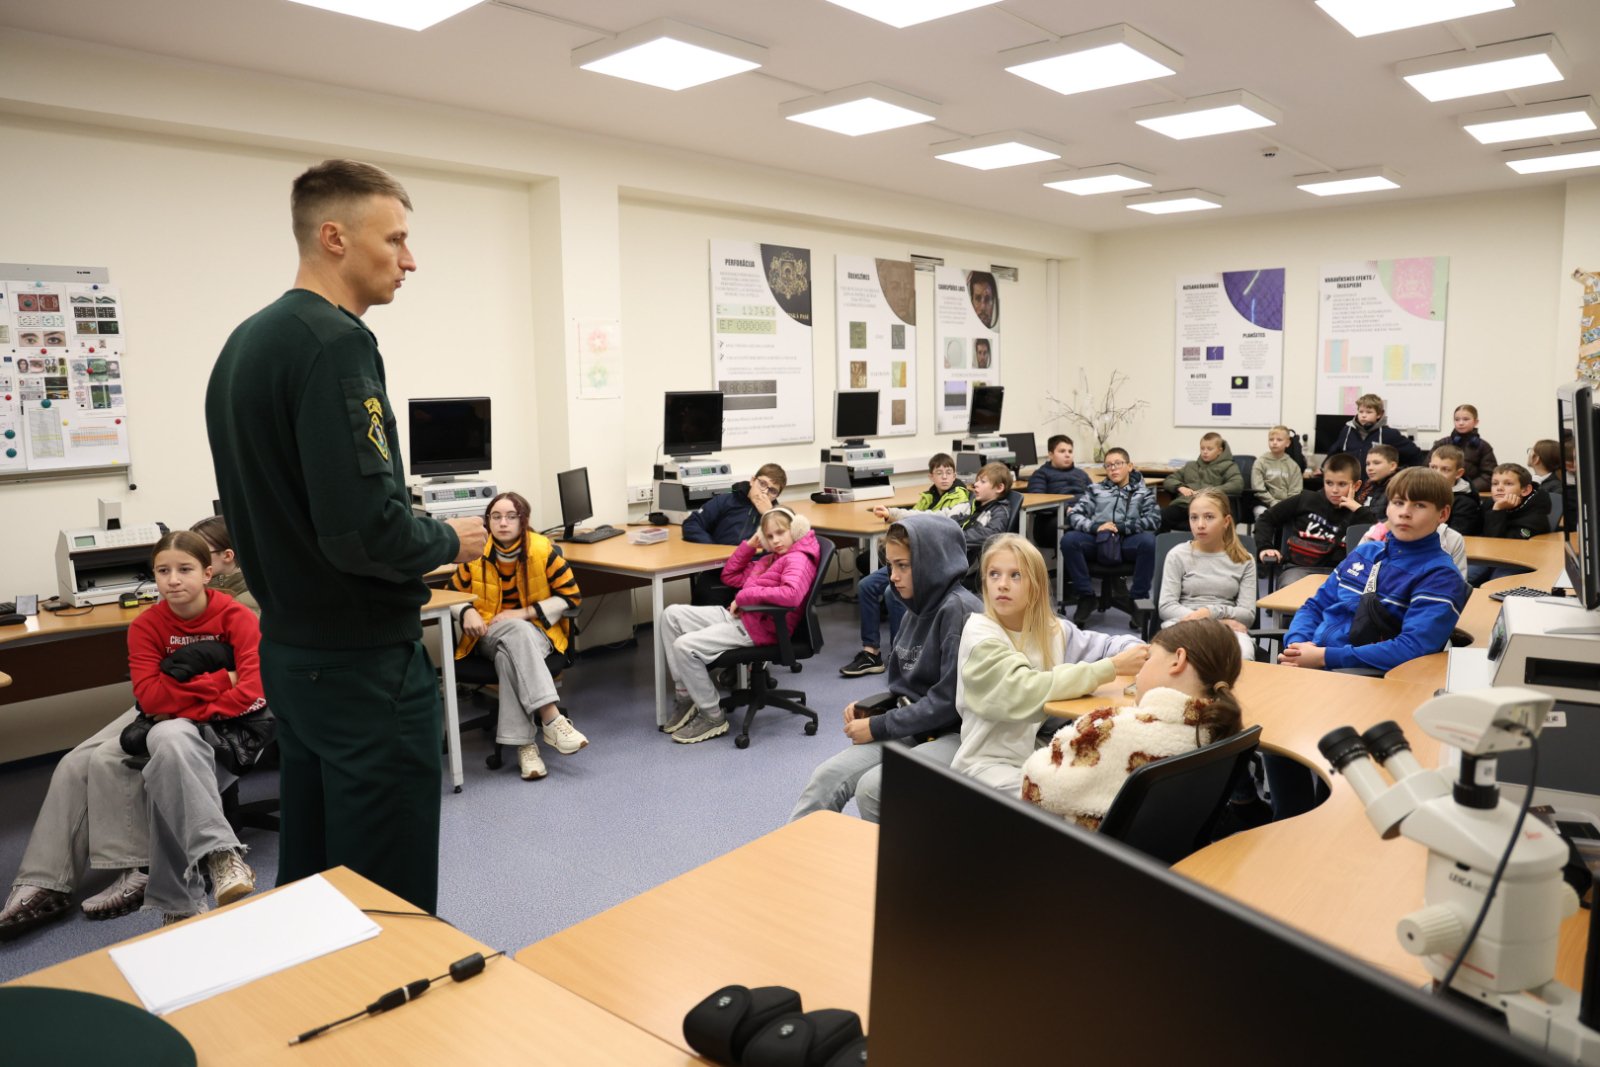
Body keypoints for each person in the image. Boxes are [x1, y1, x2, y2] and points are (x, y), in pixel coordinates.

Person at [205, 159, 487, 915]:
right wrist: (447, 541)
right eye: (394, 238)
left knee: (314, 870)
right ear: (334, 236)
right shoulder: (335, 343)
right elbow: (364, 532)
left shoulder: (245, 344)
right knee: (382, 889)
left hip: (294, 654)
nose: (410, 258)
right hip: (362, 665)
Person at [1, 533, 264, 938]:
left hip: (198, 712)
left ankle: (140, 868)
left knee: (141, 749)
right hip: (163, 707)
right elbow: (150, 697)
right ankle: (44, 882)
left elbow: (251, 689)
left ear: (210, 570)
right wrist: (216, 682)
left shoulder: (239, 612)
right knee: (75, 762)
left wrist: (178, 703)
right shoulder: (149, 624)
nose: (173, 580)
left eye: (186, 569)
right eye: (163, 571)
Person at [791, 514, 981, 823]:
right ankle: (793, 861)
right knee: (825, 778)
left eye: (903, 565)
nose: (892, 576)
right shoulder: (913, 608)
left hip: (957, 733)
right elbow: (904, 687)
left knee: (874, 789)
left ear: (935, 562)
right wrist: (874, 709)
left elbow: (947, 704)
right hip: (917, 727)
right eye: (891, 566)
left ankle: (888, 868)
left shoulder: (959, 612)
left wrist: (880, 727)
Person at [951, 535, 1148, 796]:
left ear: (1037, 584)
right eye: (994, 574)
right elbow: (1025, 688)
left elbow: (1106, 645)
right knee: (1073, 799)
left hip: (1039, 750)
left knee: (1113, 776)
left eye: (1016, 575)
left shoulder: (1052, 629)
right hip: (987, 764)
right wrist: (1110, 667)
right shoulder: (979, 632)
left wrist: (1136, 652)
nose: (1002, 584)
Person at [1020, 619, 1244, 830]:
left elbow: (1035, 787)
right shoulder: (1214, 730)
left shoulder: (1119, 734)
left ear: (1177, 661)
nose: (1140, 670)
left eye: (1149, 658)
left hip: (1086, 856)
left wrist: (1062, 742)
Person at [450, 492, 587, 781]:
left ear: (524, 521)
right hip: (486, 633)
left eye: (511, 516)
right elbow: (450, 595)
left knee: (509, 652)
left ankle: (526, 746)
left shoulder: (542, 550)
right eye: (496, 516)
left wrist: (522, 613)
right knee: (512, 635)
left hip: (537, 632)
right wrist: (465, 612)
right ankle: (551, 718)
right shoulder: (474, 552)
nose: (503, 523)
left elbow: (572, 598)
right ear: (488, 521)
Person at [1279, 468, 1468, 674]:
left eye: (1419, 505)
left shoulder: (1440, 576)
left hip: (1359, 678)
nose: (1404, 512)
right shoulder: (1365, 552)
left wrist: (1325, 657)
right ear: (1387, 508)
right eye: (1398, 503)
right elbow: (1315, 607)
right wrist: (1296, 646)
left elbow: (1411, 648)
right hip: (1311, 662)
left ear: (1443, 514)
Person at [662, 508, 821, 744]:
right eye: (769, 536)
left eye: (781, 532)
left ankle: (713, 715)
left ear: (797, 530)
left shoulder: (798, 558)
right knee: (671, 615)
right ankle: (685, 696)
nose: (775, 540)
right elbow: (730, 577)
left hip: (760, 628)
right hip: (740, 617)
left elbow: (791, 595)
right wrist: (750, 546)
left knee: (684, 647)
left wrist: (744, 599)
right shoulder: (771, 559)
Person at [840, 454, 971, 678]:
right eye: (939, 473)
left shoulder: (961, 498)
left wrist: (894, 513)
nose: (944, 477)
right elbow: (913, 522)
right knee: (866, 585)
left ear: (955, 475)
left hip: (932, 561)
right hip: (909, 558)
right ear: (931, 476)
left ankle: (900, 653)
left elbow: (932, 519)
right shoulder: (927, 496)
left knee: (893, 592)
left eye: (949, 472)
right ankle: (870, 653)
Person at [1060, 447, 1160, 625]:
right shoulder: (1095, 490)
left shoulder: (1142, 492)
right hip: (1099, 541)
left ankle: (1137, 599)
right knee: (1069, 539)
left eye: (1118, 464)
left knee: (1149, 541)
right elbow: (1075, 515)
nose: (1113, 468)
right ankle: (1086, 596)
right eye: (1108, 465)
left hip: (1127, 542)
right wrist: (1096, 527)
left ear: (1130, 466)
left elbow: (1154, 520)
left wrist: (1122, 527)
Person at [1157, 489, 1258, 662]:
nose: (1200, 525)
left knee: (1244, 656)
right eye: (1194, 517)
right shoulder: (1177, 555)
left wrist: (1209, 612)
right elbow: (1166, 606)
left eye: (1209, 517)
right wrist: (1215, 622)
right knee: (1180, 658)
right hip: (1183, 624)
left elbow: (1247, 615)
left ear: (1226, 521)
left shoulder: (1244, 560)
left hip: (1229, 629)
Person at [1254, 453, 1377, 588]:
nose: (1334, 490)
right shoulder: (1306, 500)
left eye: (1342, 484)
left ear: (1357, 485)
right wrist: (1265, 546)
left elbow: (1380, 536)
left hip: (1340, 573)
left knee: (1349, 598)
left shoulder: (1359, 513)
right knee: (1290, 592)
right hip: (1298, 569)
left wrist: (1357, 509)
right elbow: (1266, 519)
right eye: (1329, 483)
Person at [681, 463, 787, 606]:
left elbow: (789, 548)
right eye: (762, 484)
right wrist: (713, 549)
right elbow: (692, 523)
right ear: (752, 481)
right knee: (705, 597)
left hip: (757, 573)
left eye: (772, 491)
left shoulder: (777, 515)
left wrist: (769, 515)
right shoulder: (726, 501)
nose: (764, 492)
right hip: (721, 568)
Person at [1470, 462, 1553, 586]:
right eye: (1495, 483)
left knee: (1496, 585)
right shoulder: (1490, 503)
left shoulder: (1535, 515)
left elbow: (1499, 545)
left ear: (1525, 490)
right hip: (1489, 558)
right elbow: (1475, 533)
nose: (1499, 488)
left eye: (1508, 484)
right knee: (1456, 579)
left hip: (1518, 561)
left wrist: (1498, 510)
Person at [1160, 432, 1244, 532]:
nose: (1205, 452)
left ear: (1220, 450)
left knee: (1203, 524)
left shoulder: (1229, 466)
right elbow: (1169, 480)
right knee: (1160, 516)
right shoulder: (1191, 466)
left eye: (1209, 449)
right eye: (1202, 448)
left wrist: (1208, 491)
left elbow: (1237, 484)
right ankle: (1163, 547)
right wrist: (1180, 487)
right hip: (1185, 505)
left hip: (1211, 507)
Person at [1024, 434, 1092, 551]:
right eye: (1062, 451)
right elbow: (1037, 500)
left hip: (1083, 513)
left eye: (1070, 451)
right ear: (1051, 454)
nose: (1067, 455)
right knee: (1074, 525)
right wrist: (1066, 509)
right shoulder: (1041, 474)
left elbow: (1095, 495)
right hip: (1054, 518)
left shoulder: (1081, 474)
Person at [1327, 393, 1424, 471]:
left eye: (1369, 412)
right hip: (1351, 482)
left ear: (1379, 415)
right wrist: (1323, 469)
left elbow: (1415, 454)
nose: (1364, 416)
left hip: (1375, 486)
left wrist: (1406, 475)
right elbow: (1334, 453)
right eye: (1361, 412)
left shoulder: (1389, 434)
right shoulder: (1347, 431)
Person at [190, 515, 259, 615]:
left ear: (227, 556)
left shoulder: (263, 598)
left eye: (199, 552)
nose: (189, 559)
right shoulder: (189, 594)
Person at [960, 462, 1020, 563]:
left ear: (999, 488)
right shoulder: (974, 505)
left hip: (973, 560)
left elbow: (991, 535)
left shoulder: (1000, 511)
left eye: (982, 481)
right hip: (959, 552)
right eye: (977, 480)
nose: (975, 484)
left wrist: (957, 536)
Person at [1432, 404, 1498, 492]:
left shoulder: (1483, 446)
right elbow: (1426, 468)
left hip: (1469, 491)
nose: (1461, 423)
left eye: (1466, 419)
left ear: (1476, 422)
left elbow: (1489, 476)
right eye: (1457, 420)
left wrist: (1466, 488)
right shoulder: (1443, 443)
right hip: (1441, 489)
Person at [1428, 444, 1482, 536]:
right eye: (1434, 468)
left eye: (1445, 469)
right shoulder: (1420, 492)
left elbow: (1455, 537)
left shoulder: (1465, 503)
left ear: (1458, 473)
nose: (1437, 474)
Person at [1251, 426, 1302, 519]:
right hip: (1264, 504)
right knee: (1262, 514)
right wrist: (1273, 503)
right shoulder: (1261, 462)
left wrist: (1285, 505)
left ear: (1287, 443)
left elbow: (1295, 492)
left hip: (1287, 505)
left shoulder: (1293, 466)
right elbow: (1258, 489)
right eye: (1271, 439)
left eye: (1279, 440)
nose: (1274, 442)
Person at [1358, 444, 1400, 510]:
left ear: (1392, 466)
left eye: (1376, 463)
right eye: (1368, 464)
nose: (1370, 468)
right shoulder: (1368, 486)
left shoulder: (1399, 488)